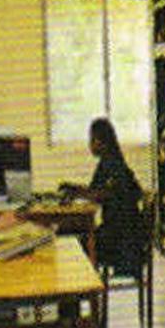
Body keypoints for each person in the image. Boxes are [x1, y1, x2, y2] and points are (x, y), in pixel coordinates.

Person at [60, 117, 144, 275]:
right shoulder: (109, 161)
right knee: (68, 232)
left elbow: (101, 194)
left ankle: (78, 292)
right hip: (118, 234)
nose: (90, 144)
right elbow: (95, 190)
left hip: (122, 242)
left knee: (69, 240)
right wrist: (73, 188)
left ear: (102, 141)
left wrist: (76, 192)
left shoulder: (113, 165)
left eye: (92, 139)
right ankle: (75, 294)